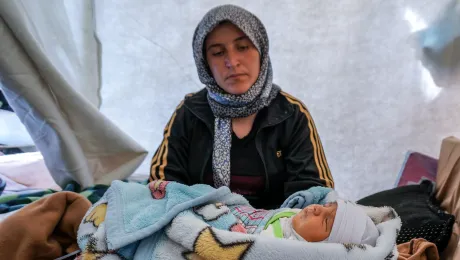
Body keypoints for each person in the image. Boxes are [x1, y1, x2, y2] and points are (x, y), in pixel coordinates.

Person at [150, 4, 334, 209]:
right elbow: (162, 188)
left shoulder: (290, 114)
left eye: (243, 47)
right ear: (205, 64)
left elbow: (315, 195)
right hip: (199, 230)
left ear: (261, 50)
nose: (232, 61)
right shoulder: (190, 112)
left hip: (276, 233)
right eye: (218, 52)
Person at [260, 199, 380, 246]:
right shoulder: (295, 213)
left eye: (326, 220)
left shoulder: (276, 246)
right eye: (325, 205)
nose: (318, 208)